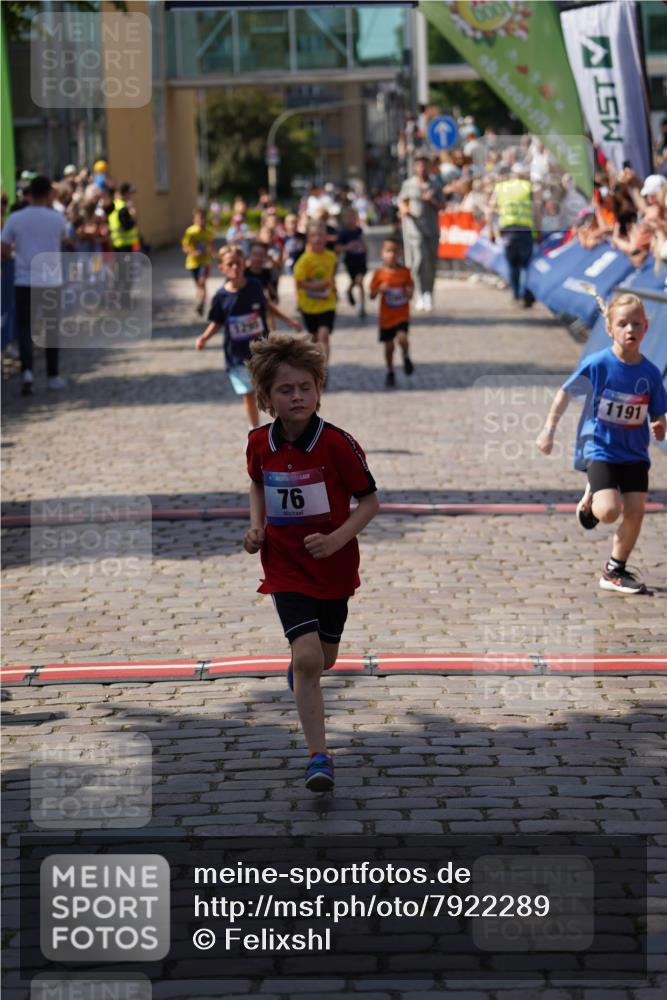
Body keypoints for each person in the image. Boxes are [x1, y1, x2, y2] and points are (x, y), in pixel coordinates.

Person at [243, 333, 379, 791]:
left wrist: (337, 539)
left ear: (319, 389)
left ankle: (305, 673)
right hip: (284, 565)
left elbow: (370, 502)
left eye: (306, 387)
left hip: (334, 567)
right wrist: (256, 527)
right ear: (266, 398)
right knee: (305, 659)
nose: (298, 396)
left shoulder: (337, 443)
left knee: (324, 658)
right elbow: (257, 483)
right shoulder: (259, 442)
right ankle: (318, 756)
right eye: (286, 390)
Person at [536, 293, 667, 594]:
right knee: (608, 512)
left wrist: (660, 424)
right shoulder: (598, 364)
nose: (630, 329)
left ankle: (614, 570)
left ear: (646, 327)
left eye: (636, 324)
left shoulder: (650, 373)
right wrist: (548, 430)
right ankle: (593, 499)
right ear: (609, 329)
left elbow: (658, 411)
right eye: (623, 324)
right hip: (601, 449)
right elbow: (565, 393)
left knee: (635, 511)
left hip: (634, 453)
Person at [195, 246, 302, 428]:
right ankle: (255, 431)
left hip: (262, 351)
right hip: (237, 355)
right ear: (222, 268)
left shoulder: (254, 286)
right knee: (249, 394)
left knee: (270, 390)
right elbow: (217, 322)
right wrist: (204, 338)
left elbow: (267, 306)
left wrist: (289, 321)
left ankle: (283, 426)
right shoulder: (221, 297)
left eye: (238, 263)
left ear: (244, 264)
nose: (235, 267)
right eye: (230, 264)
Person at [1, 174, 70, 394]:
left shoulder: (16, 218)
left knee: (24, 328)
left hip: (24, 280)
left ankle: (27, 373)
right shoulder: (56, 218)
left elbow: (3, 248)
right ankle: (52, 375)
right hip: (50, 280)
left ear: (30, 192)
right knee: (51, 328)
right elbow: (66, 240)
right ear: (49, 193)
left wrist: (15, 255)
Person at [487, 163, 538, 308]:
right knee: (524, 266)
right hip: (525, 230)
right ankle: (522, 294)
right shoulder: (529, 187)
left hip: (508, 231)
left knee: (512, 265)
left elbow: (490, 210)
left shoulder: (500, 188)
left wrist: (491, 231)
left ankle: (516, 295)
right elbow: (537, 210)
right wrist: (538, 231)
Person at [398, 152, 444, 312]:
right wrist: (404, 209)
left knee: (430, 263)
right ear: (415, 167)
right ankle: (419, 292)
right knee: (418, 260)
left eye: (424, 165)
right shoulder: (408, 184)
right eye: (418, 165)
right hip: (414, 229)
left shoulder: (435, 185)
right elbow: (401, 200)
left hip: (431, 229)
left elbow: (443, 206)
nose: (422, 168)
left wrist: (432, 201)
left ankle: (428, 293)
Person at [369, 237, 415, 388]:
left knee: (402, 338)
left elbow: (410, 291)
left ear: (400, 253)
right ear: (382, 253)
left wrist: (409, 292)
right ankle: (390, 370)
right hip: (386, 318)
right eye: (388, 251)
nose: (392, 255)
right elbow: (372, 295)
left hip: (401, 315)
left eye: (395, 251)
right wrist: (379, 289)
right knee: (389, 347)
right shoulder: (379, 274)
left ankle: (406, 356)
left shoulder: (405, 272)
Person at [293, 223, 338, 364]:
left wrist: (333, 289)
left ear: (326, 238)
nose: (318, 238)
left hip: (327, 304)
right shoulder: (304, 260)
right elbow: (299, 283)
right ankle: (315, 364)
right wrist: (318, 286)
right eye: (313, 235)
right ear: (308, 239)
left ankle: (324, 369)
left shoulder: (331, 256)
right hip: (309, 306)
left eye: (321, 235)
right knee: (314, 338)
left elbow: (331, 276)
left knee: (324, 336)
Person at [181, 207, 215, 316]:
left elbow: (211, 246)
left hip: (205, 262)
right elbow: (185, 246)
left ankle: (201, 304)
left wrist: (217, 255)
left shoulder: (209, 232)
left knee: (202, 282)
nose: (202, 221)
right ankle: (201, 302)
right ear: (194, 220)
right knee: (199, 285)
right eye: (199, 219)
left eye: (203, 219)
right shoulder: (190, 232)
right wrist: (192, 253)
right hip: (193, 262)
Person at [335, 206, 368, 318]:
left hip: (361, 260)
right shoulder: (343, 233)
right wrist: (347, 247)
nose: (350, 220)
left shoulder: (359, 230)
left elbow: (364, 243)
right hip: (350, 261)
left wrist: (365, 249)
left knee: (360, 281)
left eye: (352, 217)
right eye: (347, 217)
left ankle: (362, 306)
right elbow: (337, 248)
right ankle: (349, 291)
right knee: (356, 281)